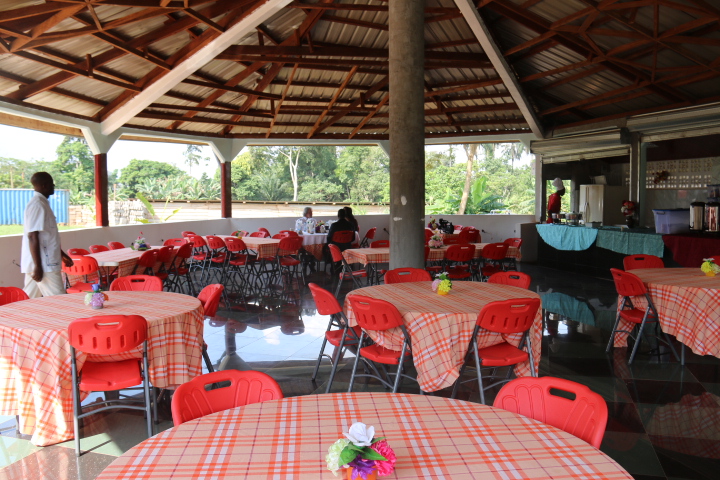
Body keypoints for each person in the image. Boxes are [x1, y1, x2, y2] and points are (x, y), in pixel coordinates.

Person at [21, 172, 74, 298]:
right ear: (44, 186)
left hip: (42, 263)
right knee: (59, 300)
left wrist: (62, 255)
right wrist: (38, 266)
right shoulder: (37, 205)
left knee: (28, 300)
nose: (53, 186)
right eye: (51, 184)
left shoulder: (42, 203)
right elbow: (32, 236)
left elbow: (47, 237)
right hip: (45, 265)